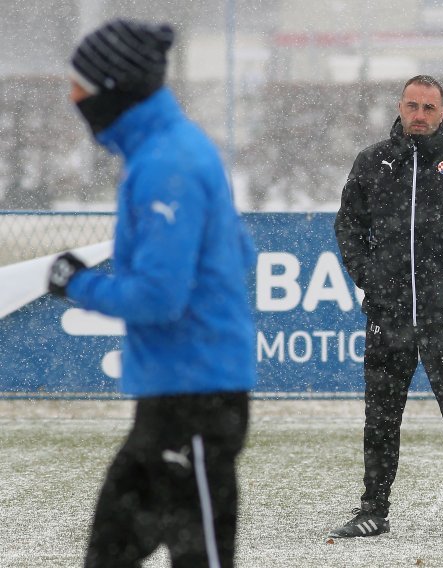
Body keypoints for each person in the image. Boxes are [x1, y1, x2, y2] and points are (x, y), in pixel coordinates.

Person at [48, 19, 256, 568]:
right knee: (107, 557)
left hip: (195, 402)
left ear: (114, 87)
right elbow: (243, 253)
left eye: (80, 86)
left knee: (201, 558)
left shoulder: (169, 164)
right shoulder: (170, 151)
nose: (72, 99)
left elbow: (160, 299)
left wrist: (76, 285)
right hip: (171, 402)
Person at [330, 75, 443, 540]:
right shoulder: (373, 162)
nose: (420, 115)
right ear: (400, 107)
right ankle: (373, 508)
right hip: (388, 318)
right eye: (413, 106)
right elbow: (348, 227)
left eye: (429, 107)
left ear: (442, 111)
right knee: (381, 419)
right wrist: (371, 280)